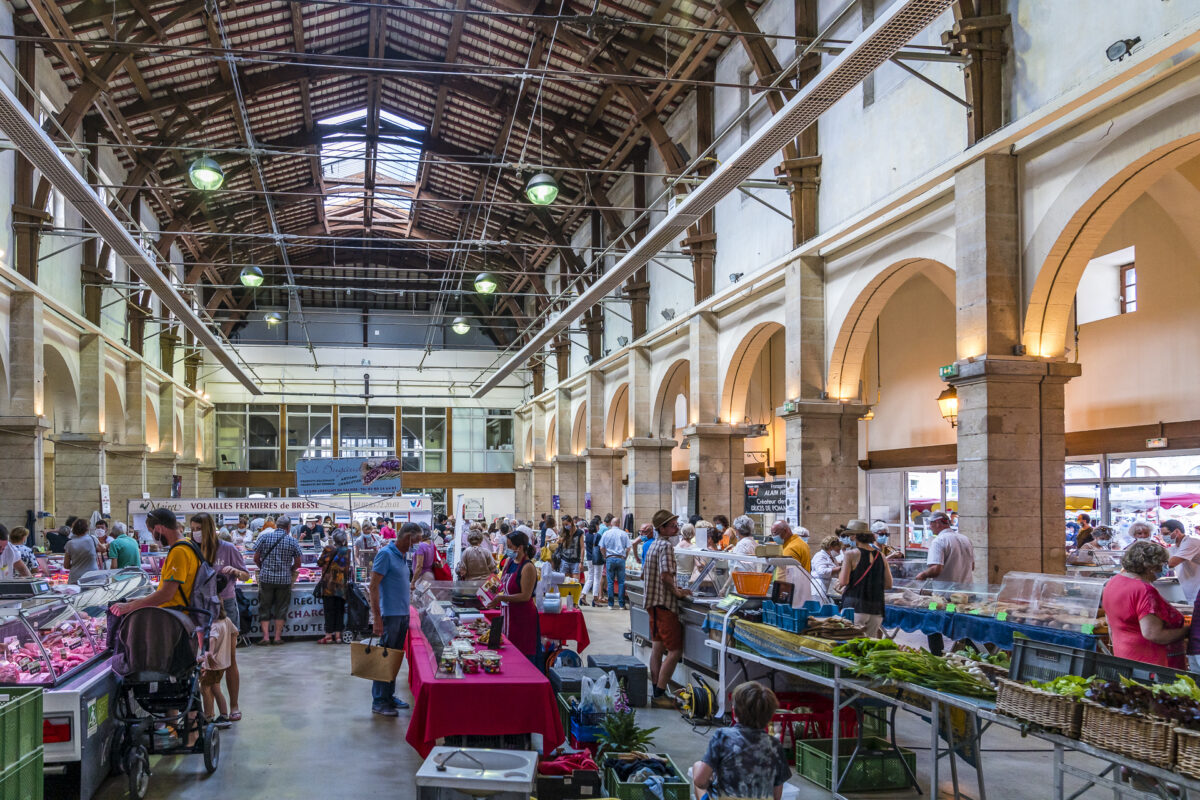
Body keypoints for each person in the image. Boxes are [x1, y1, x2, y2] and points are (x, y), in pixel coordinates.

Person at [691, 681, 791, 800]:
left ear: (734, 712)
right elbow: (776, 796)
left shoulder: (722, 736)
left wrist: (710, 781)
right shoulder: (775, 745)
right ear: (769, 717)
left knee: (697, 767)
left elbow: (700, 781)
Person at [196, 512, 248, 721]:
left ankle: (233, 705)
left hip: (226, 607)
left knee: (230, 659)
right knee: (205, 659)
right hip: (200, 607)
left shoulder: (228, 548)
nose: (195, 533)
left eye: (198, 528)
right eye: (193, 528)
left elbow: (246, 575)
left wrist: (235, 570)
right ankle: (208, 709)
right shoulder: (193, 548)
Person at [1103, 541, 1188, 667]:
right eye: (1163, 563)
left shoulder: (1114, 581)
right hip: (1151, 663)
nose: (1166, 567)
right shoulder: (1144, 590)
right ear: (1151, 566)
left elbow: (1109, 621)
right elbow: (1153, 634)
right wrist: (1188, 631)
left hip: (1125, 656)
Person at [368, 522, 417, 716]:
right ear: (407, 537)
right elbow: (373, 587)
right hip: (390, 615)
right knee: (384, 658)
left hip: (401, 614)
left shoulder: (403, 555)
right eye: (416, 541)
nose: (417, 545)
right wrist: (377, 618)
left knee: (394, 659)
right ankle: (379, 701)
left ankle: (388, 696)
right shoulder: (385, 554)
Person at [111, 509, 199, 616]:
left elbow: (166, 594)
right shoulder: (188, 543)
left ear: (159, 529)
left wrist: (129, 607)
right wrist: (140, 601)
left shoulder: (179, 551)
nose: (152, 536)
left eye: (151, 531)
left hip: (175, 617)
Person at [644, 510, 690, 707]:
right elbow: (665, 575)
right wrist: (678, 592)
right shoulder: (666, 547)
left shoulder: (653, 545)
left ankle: (655, 688)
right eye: (672, 525)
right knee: (675, 651)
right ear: (662, 528)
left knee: (657, 647)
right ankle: (661, 693)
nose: (676, 528)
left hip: (653, 604)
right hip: (665, 605)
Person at [488, 529, 541, 667]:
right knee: (508, 652)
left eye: (510, 546)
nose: (508, 549)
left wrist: (501, 599)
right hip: (508, 614)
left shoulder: (528, 567)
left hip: (523, 617)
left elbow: (525, 596)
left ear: (520, 547)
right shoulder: (509, 562)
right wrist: (488, 591)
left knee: (523, 655)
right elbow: (501, 584)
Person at [836, 521, 893, 637]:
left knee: (852, 645)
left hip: (855, 606)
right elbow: (888, 584)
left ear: (854, 536)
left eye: (849, 535)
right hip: (876, 609)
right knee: (868, 647)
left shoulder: (850, 554)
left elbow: (843, 581)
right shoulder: (881, 555)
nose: (849, 538)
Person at [253, 515, 302, 646]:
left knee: (265, 607)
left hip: (266, 579)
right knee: (281, 608)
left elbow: (256, 558)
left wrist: (263, 568)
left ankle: (265, 637)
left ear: (276, 525)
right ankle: (278, 637)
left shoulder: (264, 537)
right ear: (288, 527)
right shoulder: (292, 541)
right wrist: (289, 569)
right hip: (284, 580)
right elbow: (298, 563)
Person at [200, 605, 238, 728]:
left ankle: (208, 717)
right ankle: (224, 715)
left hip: (212, 665)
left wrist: (209, 655)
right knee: (216, 689)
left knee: (205, 689)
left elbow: (212, 639)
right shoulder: (226, 620)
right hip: (222, 664)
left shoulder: (214, 625)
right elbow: (235, 632)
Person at [316, 530, 352, 645]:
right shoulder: (346, 551)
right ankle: (338, 636)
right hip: (341, 586)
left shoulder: (328, 549)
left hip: (328, 586)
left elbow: (319, 563)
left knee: (329, 611)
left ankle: (328, 636)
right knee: (340, 611)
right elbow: (347, 570)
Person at [916, 511, 974, 583]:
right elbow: (972, 566)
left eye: (931, 523)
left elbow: (936, 569)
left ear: (937, 523)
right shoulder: (965, 539)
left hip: (947, 592)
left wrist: (923, 575)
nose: (929, 527)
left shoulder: (939, 541)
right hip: (967, 591)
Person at [1163, 518, 1200, 606]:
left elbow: (1171, 563)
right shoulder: (1175, 547)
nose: (1164, 537)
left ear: (1176, 531)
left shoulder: (1191, 542)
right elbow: (1162, 559)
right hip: (1189, 590)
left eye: (1166, 534)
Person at [599, 518, 631, 610]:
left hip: (610, 558)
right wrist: (625, 557)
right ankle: (621, 605)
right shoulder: (624, 533)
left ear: (611, 524)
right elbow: (628, 548)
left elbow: (601, 547)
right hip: (621, 558)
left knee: (610, 582)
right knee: (621, 582)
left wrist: (605, 556)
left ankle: (610, 604)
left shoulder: (606, 533)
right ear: (619, 524)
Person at [63, 518, 101, 584]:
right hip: (92, 577)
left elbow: (66, 565)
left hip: (75, 578)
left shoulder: (69, 544)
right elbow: (102, 549)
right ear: (87, 529)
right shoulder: (92, 539)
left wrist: (77, 564)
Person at [583, 520, 606, 606]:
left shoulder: (587, 535)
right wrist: (604, 556)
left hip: (589, 558)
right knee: (597, 578)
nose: (599, 527)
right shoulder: (598, 536)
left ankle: (583, 595)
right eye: (598, 525)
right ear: (596, 526)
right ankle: (595, 599)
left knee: (590, 577)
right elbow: (601, 547)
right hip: (597, 559)